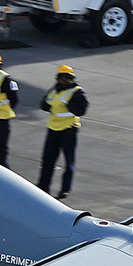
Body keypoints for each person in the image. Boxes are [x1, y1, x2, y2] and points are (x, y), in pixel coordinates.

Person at [37, 64, 87, 199]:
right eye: (62, 78)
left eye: (67, 78)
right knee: (47, 160)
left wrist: (68, 104)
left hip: (68, 130)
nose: (64, 80)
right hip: (53, 128)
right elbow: (44, 105)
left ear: (72, 79)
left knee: (68, 162)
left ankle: (65, 189)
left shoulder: (77, 92)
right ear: (58, 78)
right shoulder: (54, 90)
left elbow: (81, 110)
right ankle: (43, 186)